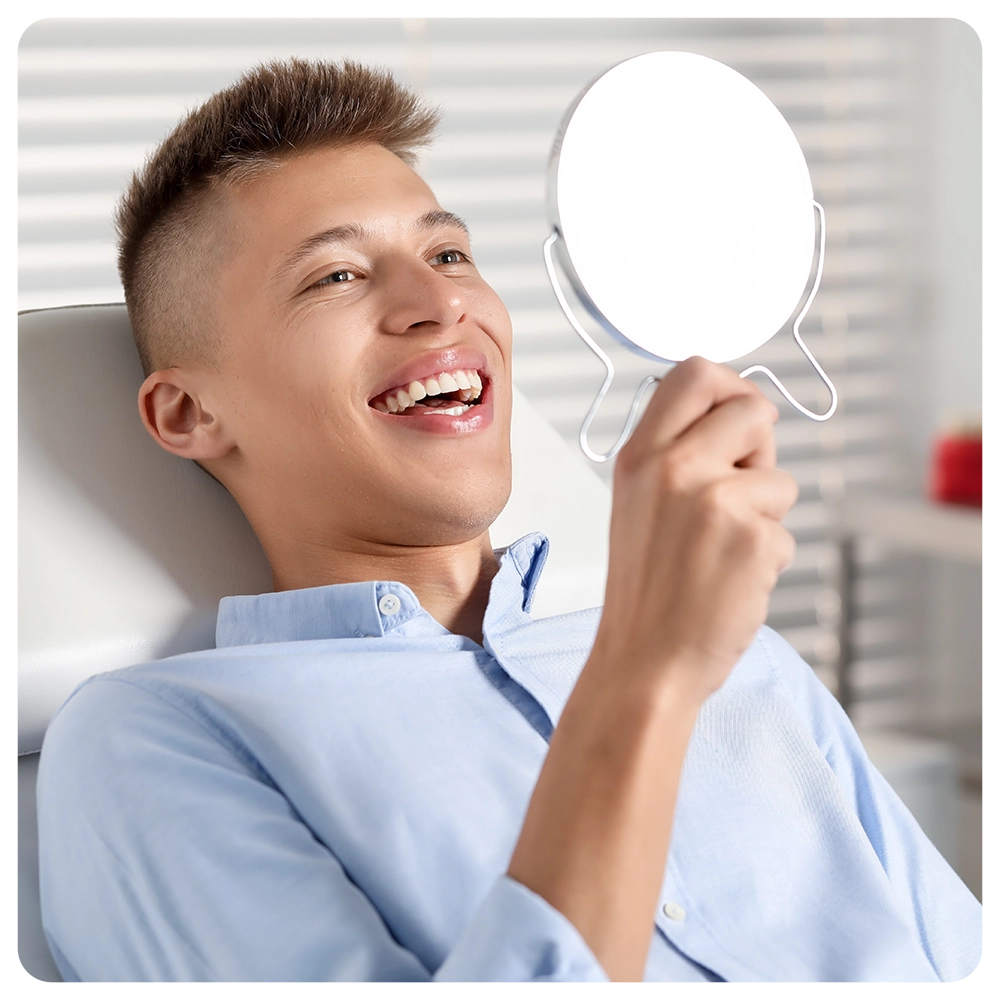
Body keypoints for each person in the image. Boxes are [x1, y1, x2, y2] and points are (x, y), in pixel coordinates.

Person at [35, 59, 983, 985]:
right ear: (189, 415)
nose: (442, 302)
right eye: (335, 277)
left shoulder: (753, 669)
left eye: (448, 254)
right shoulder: (152, 739)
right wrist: (646, 675)